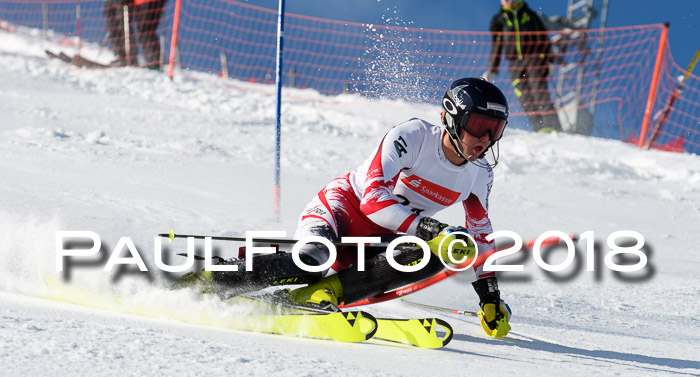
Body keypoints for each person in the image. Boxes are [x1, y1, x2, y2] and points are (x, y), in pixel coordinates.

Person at [178, 78, 513, 338]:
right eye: (479, 126)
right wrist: (432, 229)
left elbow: (482, 236)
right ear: (452, 117)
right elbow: (373, 201)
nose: (485, 138)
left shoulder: (479, 174)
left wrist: (490, 297)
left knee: (444, 252)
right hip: (340, 212)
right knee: (312, 260)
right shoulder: (413, 136)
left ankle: (316, 296)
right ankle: (211, 278)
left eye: (495, 130)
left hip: (380, 244)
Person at [484, 0, 562, 133]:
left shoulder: (529, 14)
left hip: (534, 58)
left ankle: (555, 128)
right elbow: (496, 45)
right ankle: (540, 129)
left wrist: (550, 60)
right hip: (515, 64)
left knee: (539, 91)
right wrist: (492, 69)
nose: (509, 1)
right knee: (524, 96)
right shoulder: (499, 19)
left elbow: (543, 37)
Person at [133, 0, 167, 70]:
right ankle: (153, 61)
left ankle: (154, 62)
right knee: (146, 30)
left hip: (145, 2)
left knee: (145, 30)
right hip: (141, 3)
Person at [103, 0, 138, 66]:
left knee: (124, 26)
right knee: (111, 28)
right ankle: (120, 57)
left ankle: (132, 58)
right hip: (107, 1)